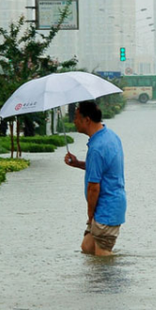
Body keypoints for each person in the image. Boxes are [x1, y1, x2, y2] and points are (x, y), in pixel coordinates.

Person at [64, 100, 126, 256]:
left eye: (76, 117)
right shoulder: (109, 136)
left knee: (103, 258)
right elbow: (102, 168)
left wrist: (90, 215)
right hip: (112, 205)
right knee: (87, 247)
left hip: (106, 210)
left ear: (87, 120)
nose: (74, 121)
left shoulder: (97, 147)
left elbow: (94, 187)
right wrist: (78, 164)